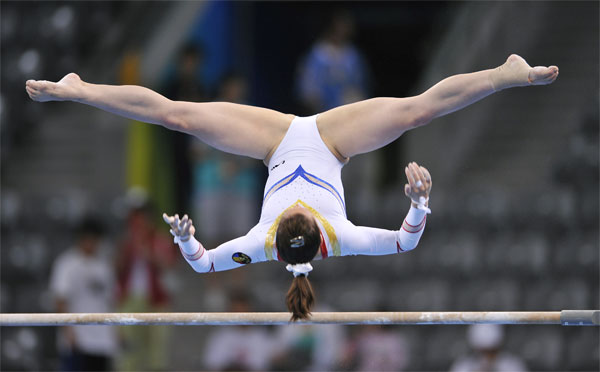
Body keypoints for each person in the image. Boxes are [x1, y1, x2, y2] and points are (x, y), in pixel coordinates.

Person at [26, 54, 559, 320]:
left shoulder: (262, 243)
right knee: (416, 112)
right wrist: (419, 202)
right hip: (332, 143)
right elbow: (405, 241)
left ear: (276, 236)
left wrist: (187, 238)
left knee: (179, 117)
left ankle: (81, 90)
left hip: (274, 143)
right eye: (295, 218)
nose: (292, 212)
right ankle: (501, 75)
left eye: (284, 220)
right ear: (314, 234)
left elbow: (204, 263)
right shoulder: (341, 236)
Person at [49, 218, 118, 371]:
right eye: (89, 239)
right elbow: (60, 298)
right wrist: (68, 330)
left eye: (95, 240)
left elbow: (110, 300)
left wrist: (116, 331)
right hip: (77, 340)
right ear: (81, 238)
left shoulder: (104, 266)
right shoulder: (66, 264)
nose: (92, 243)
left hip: (102, 341)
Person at [449, 324, 528, 372]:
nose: (486, 357)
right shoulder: (462, 367)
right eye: (482, 352)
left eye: (491, 352)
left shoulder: (512, 366)